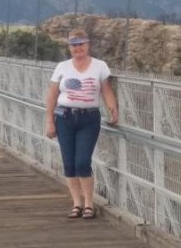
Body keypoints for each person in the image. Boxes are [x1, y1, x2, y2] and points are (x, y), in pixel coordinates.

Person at [45, 28, 118, 219]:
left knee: (82, 162)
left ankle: (89, 204)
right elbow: (52, 95)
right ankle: (76, 204)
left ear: (88, 45)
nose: (78, 48)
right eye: (74, 45)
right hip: (64, 117)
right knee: (69, 163)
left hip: (89, 118)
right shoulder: (62, 67)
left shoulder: (100, 66)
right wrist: (49, 121)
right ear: (69, 47)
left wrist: (113, 108)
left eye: (81, 44)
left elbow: (106, 90)